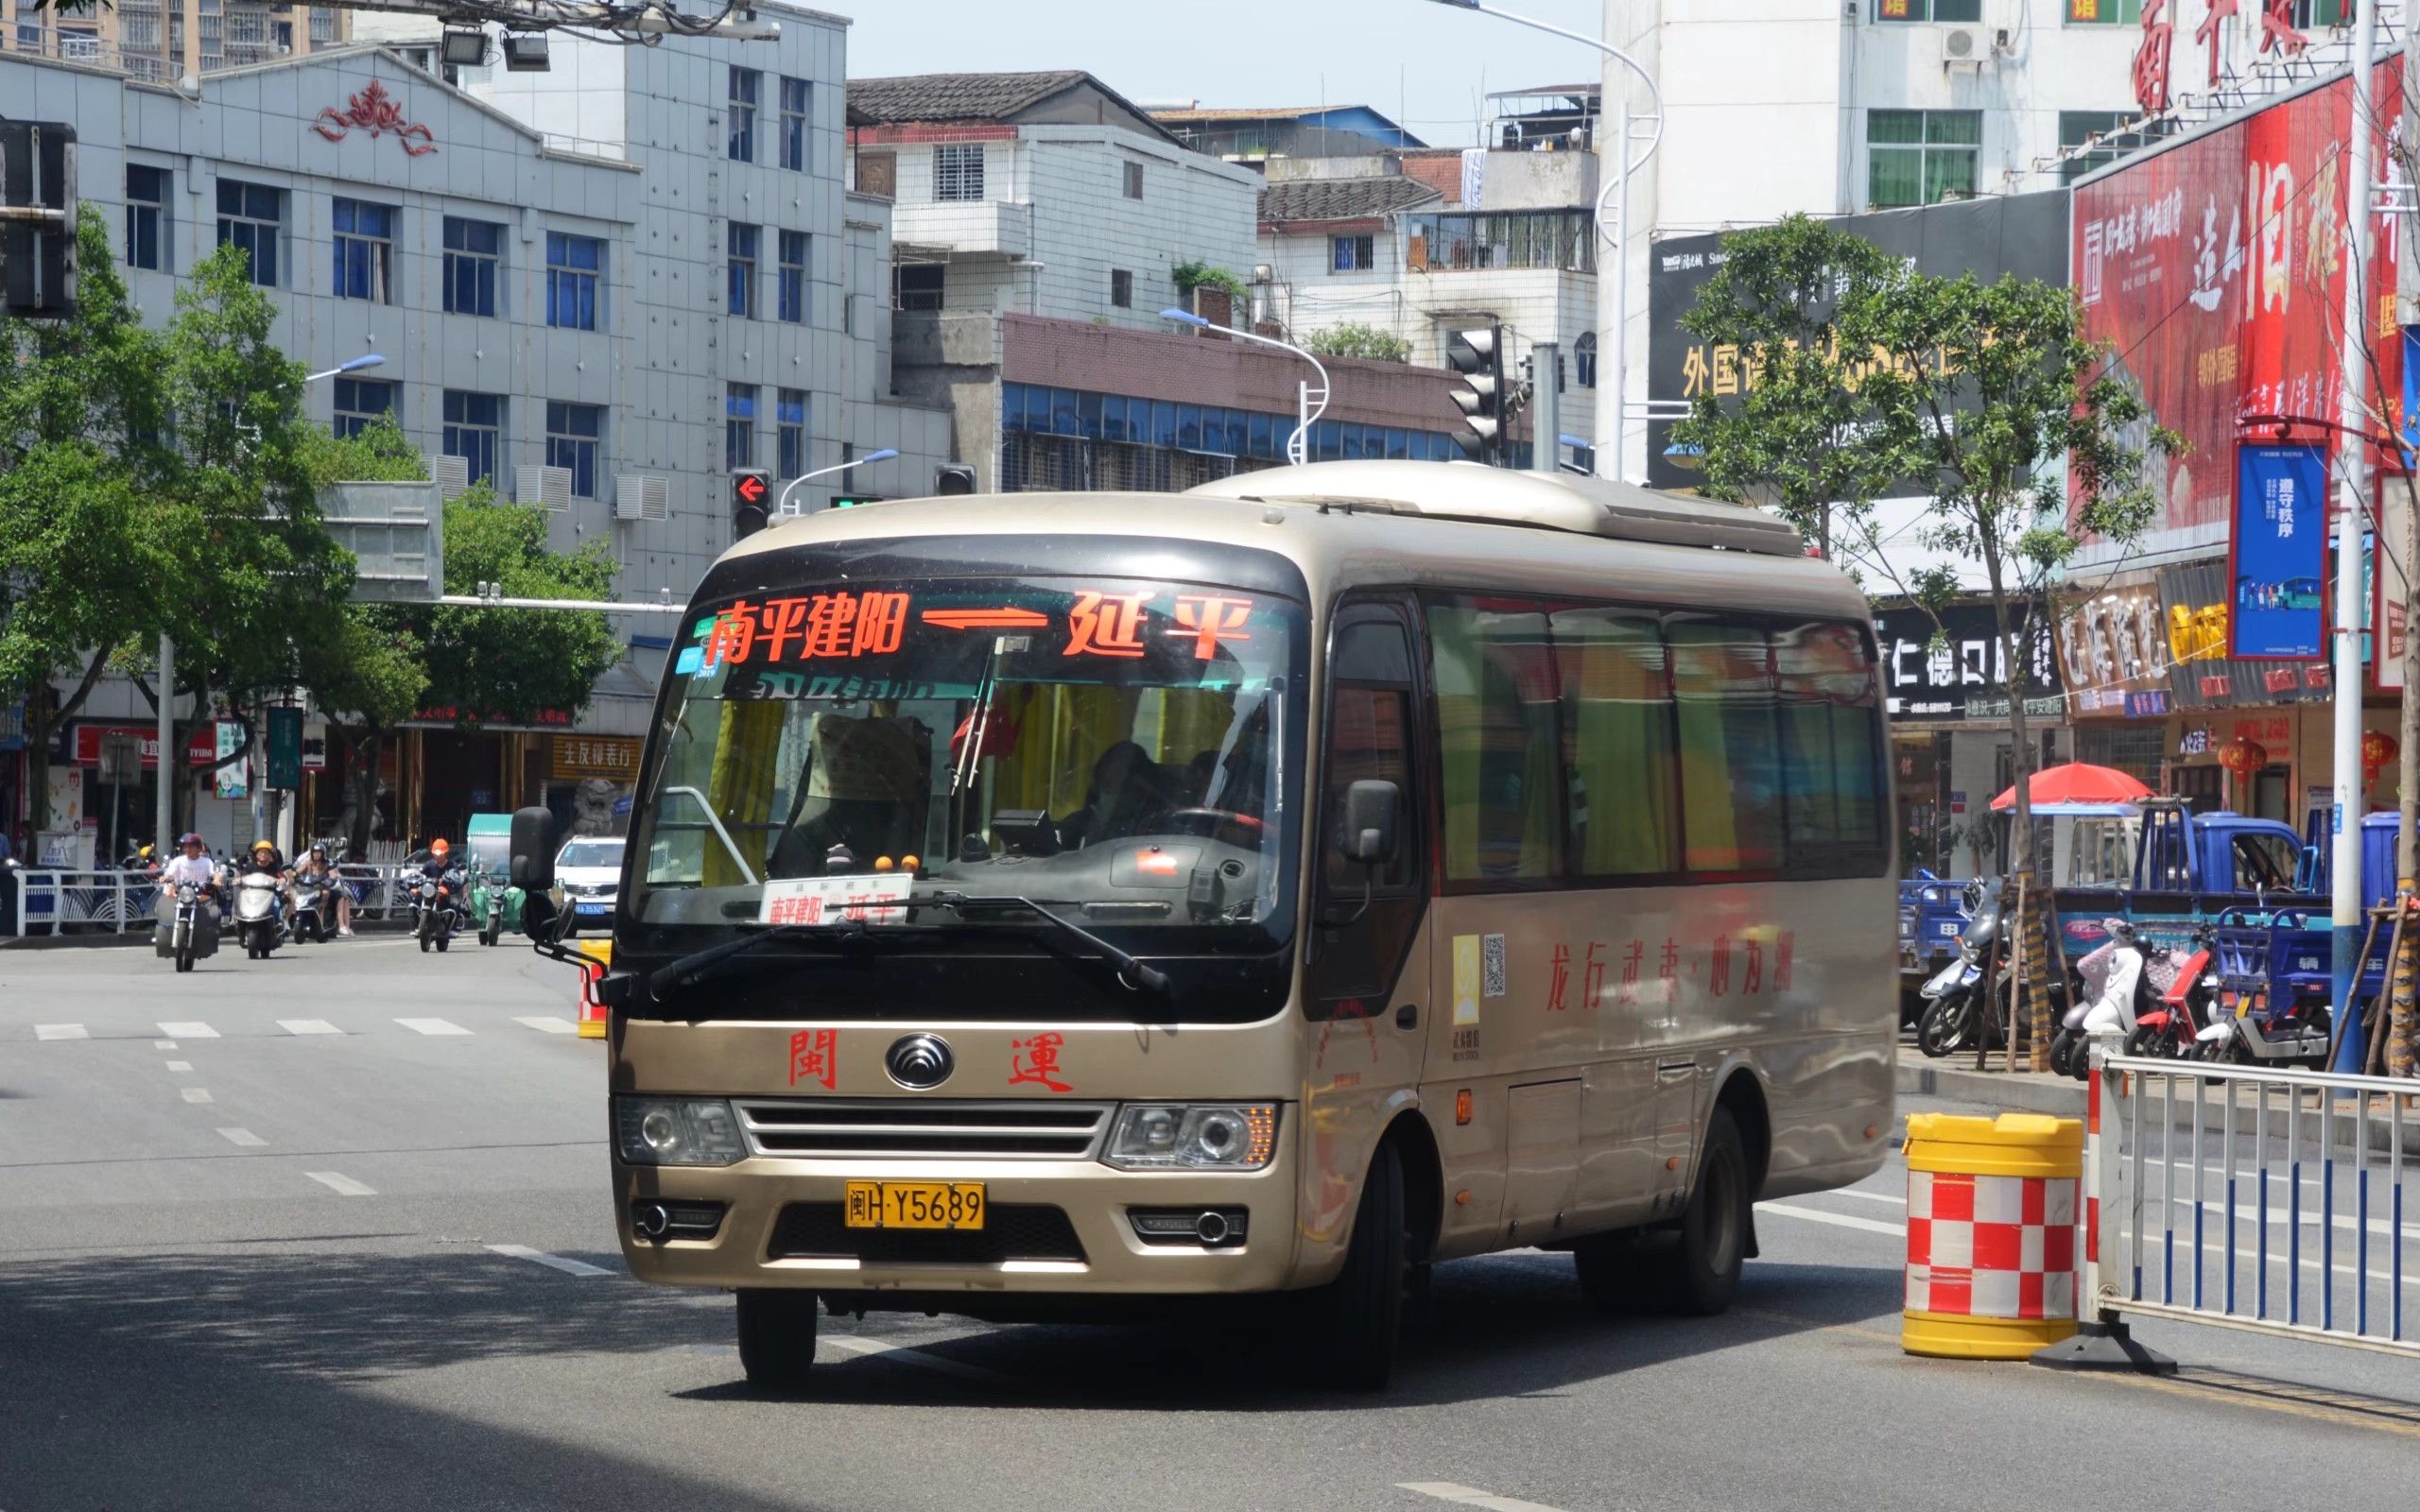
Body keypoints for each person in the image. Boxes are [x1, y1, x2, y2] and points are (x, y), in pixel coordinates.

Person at [155, 833, 223, 919]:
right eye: (186, 846)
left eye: (191, 846)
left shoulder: (207, 861)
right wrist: (164, 878)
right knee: (166, 900)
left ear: (198, 848)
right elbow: (169, 874)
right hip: (180, 893)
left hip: (200, 895)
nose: (187, 849)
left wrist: (217, 879)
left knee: (213, 914)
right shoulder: (178, 861)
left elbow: (215, 874)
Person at [293, 843, 354, 937]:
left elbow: (333, 875)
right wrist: (293, 874)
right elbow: (297, 871)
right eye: (314, 852)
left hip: (324, 888)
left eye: (319, 853)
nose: (316, 855)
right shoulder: (308, 863)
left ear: (323, 854)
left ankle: (340, 925)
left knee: (336, 895)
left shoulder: (328, 863)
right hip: (310, 889)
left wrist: (329, 880)